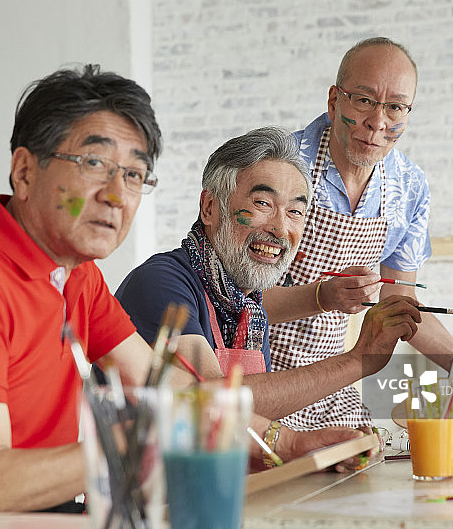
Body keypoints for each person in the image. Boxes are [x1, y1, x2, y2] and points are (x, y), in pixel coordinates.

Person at [0, 66, 386, 513]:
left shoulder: (78, 279)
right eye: (93, 164)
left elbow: (181, 393)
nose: (118, 195)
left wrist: (292, 443)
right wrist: (157, 433)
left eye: (136, 174)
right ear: (25, 171)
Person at [116, 126, 422, 457]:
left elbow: (247, 423)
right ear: (209, 208)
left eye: (295, 212)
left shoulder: (247, 301)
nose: (280, 228)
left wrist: (324, 443)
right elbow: (211, 403)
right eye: (262, 203)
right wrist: (358, 360)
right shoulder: (160, 284)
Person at [261, 37, 453, 431]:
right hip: (259, 380)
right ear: (334, 100)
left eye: (395, 107)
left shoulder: (408, 187)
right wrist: (321, 296)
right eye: (363, 100)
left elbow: (400, 301)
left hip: (333, 384)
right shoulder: (278, 166)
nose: (378, 122)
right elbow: (229, 298)